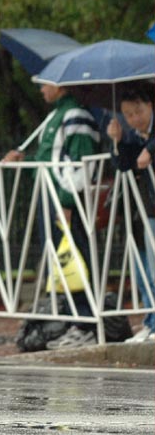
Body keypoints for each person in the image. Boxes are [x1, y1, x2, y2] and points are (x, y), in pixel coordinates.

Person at [2, 83, 99, 349]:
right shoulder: (56, 116)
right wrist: (25, 159)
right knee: (62, 262)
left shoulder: (75, 115)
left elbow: (80, 161)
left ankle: (86, 323)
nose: (42, 90)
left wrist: (67, 201)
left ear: (60, 85)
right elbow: (52, 159)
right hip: (51, 196)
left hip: (63, 199)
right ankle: (73, 320)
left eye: (45, 84)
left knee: (74, 258)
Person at [106, 88, 155, 342]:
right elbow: (124, 164)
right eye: (128, 114)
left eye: (138, 112)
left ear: (150, 106)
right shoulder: (136, 135)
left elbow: (146, 156)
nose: (134, 118)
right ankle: (151, 322)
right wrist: (118, 139)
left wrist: (152, 149)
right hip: (146, 207)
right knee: (145, 267)